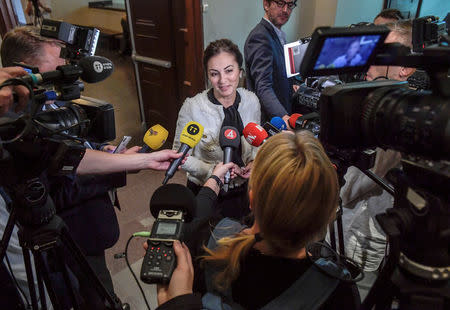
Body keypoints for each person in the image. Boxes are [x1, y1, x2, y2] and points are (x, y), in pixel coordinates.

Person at [0, 26, 186, 308]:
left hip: (90, 236)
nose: (64, 72)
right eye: (55, 67)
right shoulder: (16, 131)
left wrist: (108, 153)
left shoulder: (52, 101)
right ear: (20, 71)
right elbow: (61, 167)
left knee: (100, 288)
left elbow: (72, 149)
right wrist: (123, 165)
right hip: (62, 238)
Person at [154, 131, 360, 310]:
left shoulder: (205, 242)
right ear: (327, 212)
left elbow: (196, 217)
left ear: (251, 199)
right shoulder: (338, 291)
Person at [336, 20, 415, 299]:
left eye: (380, 54)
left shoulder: (399, 116)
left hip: (362, 237)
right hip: (348, 227)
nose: (369, 62)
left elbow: (351, 190)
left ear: (405, 68)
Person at [173, 38, 260, 219]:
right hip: (206, 190)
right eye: (214, 74)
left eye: (229, 71)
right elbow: (179, 156)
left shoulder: (252, 101)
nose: (223, 80)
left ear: (240, 72)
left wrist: (254, 164)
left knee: (241, 240)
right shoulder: (192, 107)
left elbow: (256, 144)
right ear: (207, 76)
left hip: (244, 187)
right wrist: (212, 171)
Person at [244, 0, 297, 123]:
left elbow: (277, 73)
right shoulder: (260, 37)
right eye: (280, 3)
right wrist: (284, 118)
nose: (285, 10)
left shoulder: (276, 33)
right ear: (266, 4)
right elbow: (263, 86)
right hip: (270, 121)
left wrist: (291, 85)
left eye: (290, 5)